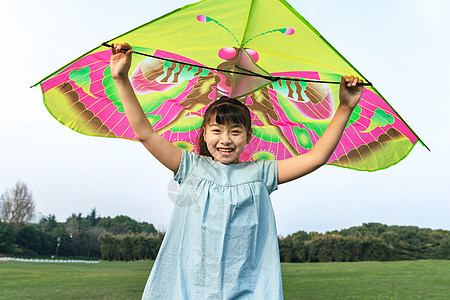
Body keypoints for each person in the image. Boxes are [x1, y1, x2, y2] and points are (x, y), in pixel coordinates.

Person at [110, 43, 363, 299]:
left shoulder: (261, 173)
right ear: (205, 133)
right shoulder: (189, 167)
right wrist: (121, 78)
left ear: (248, 136)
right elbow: (145, 133)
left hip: (246, 287)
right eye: (217, 130)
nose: (226, 140)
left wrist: (345, 107)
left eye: (235, 131)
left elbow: (316, 157)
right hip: (189, 287)